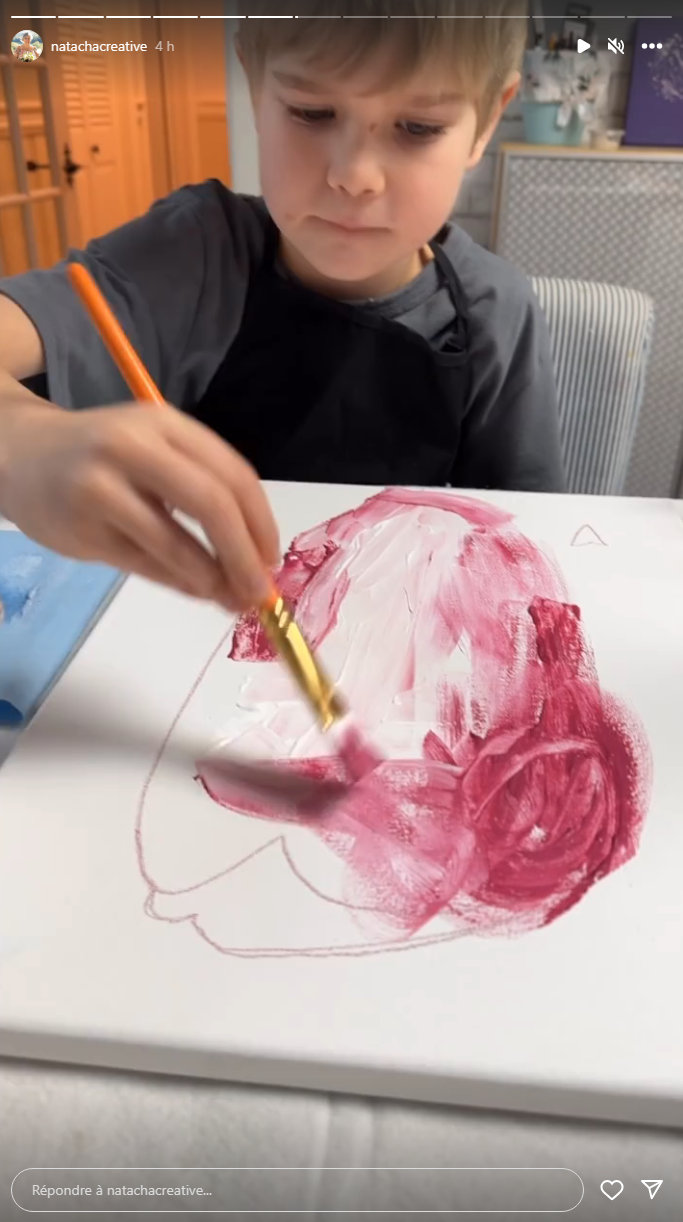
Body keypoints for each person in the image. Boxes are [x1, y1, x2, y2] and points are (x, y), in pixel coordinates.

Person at [0, 0, 563, 616]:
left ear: (485, 123)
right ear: (254, 88)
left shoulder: (492, 312)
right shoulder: (194, 253)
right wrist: (21, 438)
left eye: (417, 127)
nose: (354, 176)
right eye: (311, 112)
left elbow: (526, 542)